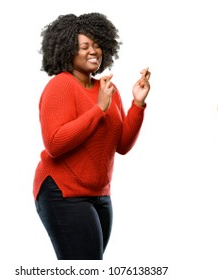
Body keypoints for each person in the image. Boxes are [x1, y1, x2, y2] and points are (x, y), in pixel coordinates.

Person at [33, 12, 151, 260]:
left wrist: (137, 104)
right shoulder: (60, 86)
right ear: (67, 50)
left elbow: (122, 145)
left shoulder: (107, 89)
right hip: (62, 191)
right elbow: (55, 144)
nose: (93, 51)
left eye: (97, 44)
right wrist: (98, 109)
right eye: (84, 46)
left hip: (100, 194)